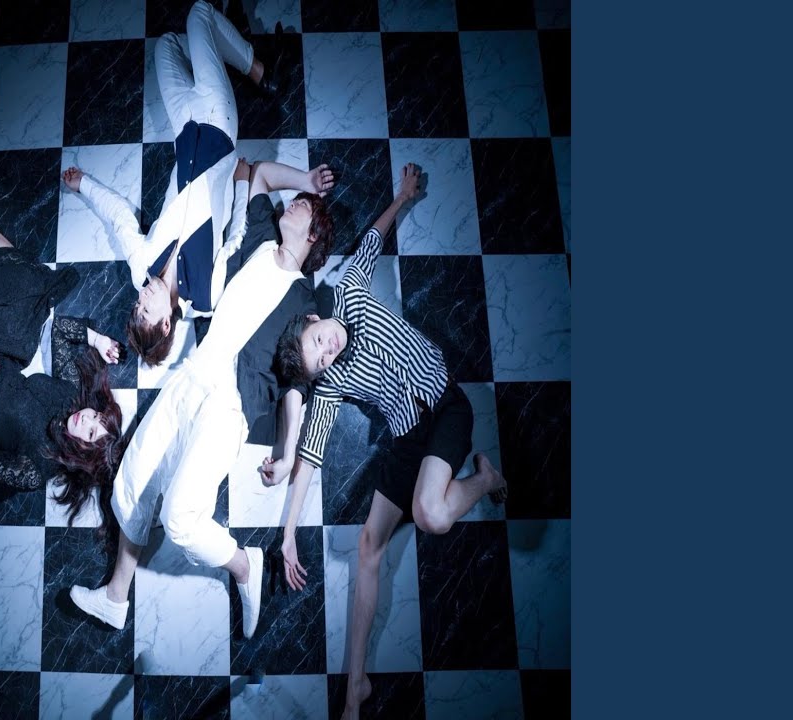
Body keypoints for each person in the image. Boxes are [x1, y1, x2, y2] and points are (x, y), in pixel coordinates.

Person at [265, 163, 509, 719]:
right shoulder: (330, 385)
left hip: (444, 408)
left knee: (431, 515)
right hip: (406, 440)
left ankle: (486, 478)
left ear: (314, 318)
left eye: (317, 341)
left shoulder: (349, 292)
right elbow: (309, 457)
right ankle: (356, 685)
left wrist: (402, 197)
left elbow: (371, 240)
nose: (327, 351)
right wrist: (287, 533)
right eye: (319, 360)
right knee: (367, 548)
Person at [67, 156, 337, 641]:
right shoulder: (262, 238)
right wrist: (307, 181)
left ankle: (245, 566)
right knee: (132, 480)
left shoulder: (305, 303)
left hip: (229, 405)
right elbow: (260, 174)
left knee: (180, 518)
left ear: (313, 234)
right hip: (194, 374)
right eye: (295, 200)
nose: (292, 203)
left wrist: (287, 452)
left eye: (302, 206)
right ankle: (115, 599)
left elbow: (297, 386)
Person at [62, 0, 315, 368]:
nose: (142, 298)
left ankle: (222, 47)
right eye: (146, 310)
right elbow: (235, 239)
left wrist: (84, 184)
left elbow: (119, 219)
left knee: (166, 45)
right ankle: (260, 71)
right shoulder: (205, 295)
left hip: (185, 128)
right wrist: (241, 183)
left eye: (137, 305)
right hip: (218, 124)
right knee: (199, 13)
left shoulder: (141, 268)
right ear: (166, 324)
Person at [0, 165, 126, 519]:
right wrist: (97, 339)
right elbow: (59, 332)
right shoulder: (70, 400)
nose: (86, 418)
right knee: (24, 279)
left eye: (91, 431)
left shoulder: (36, 469)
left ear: (83, 457)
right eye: (96, 416)